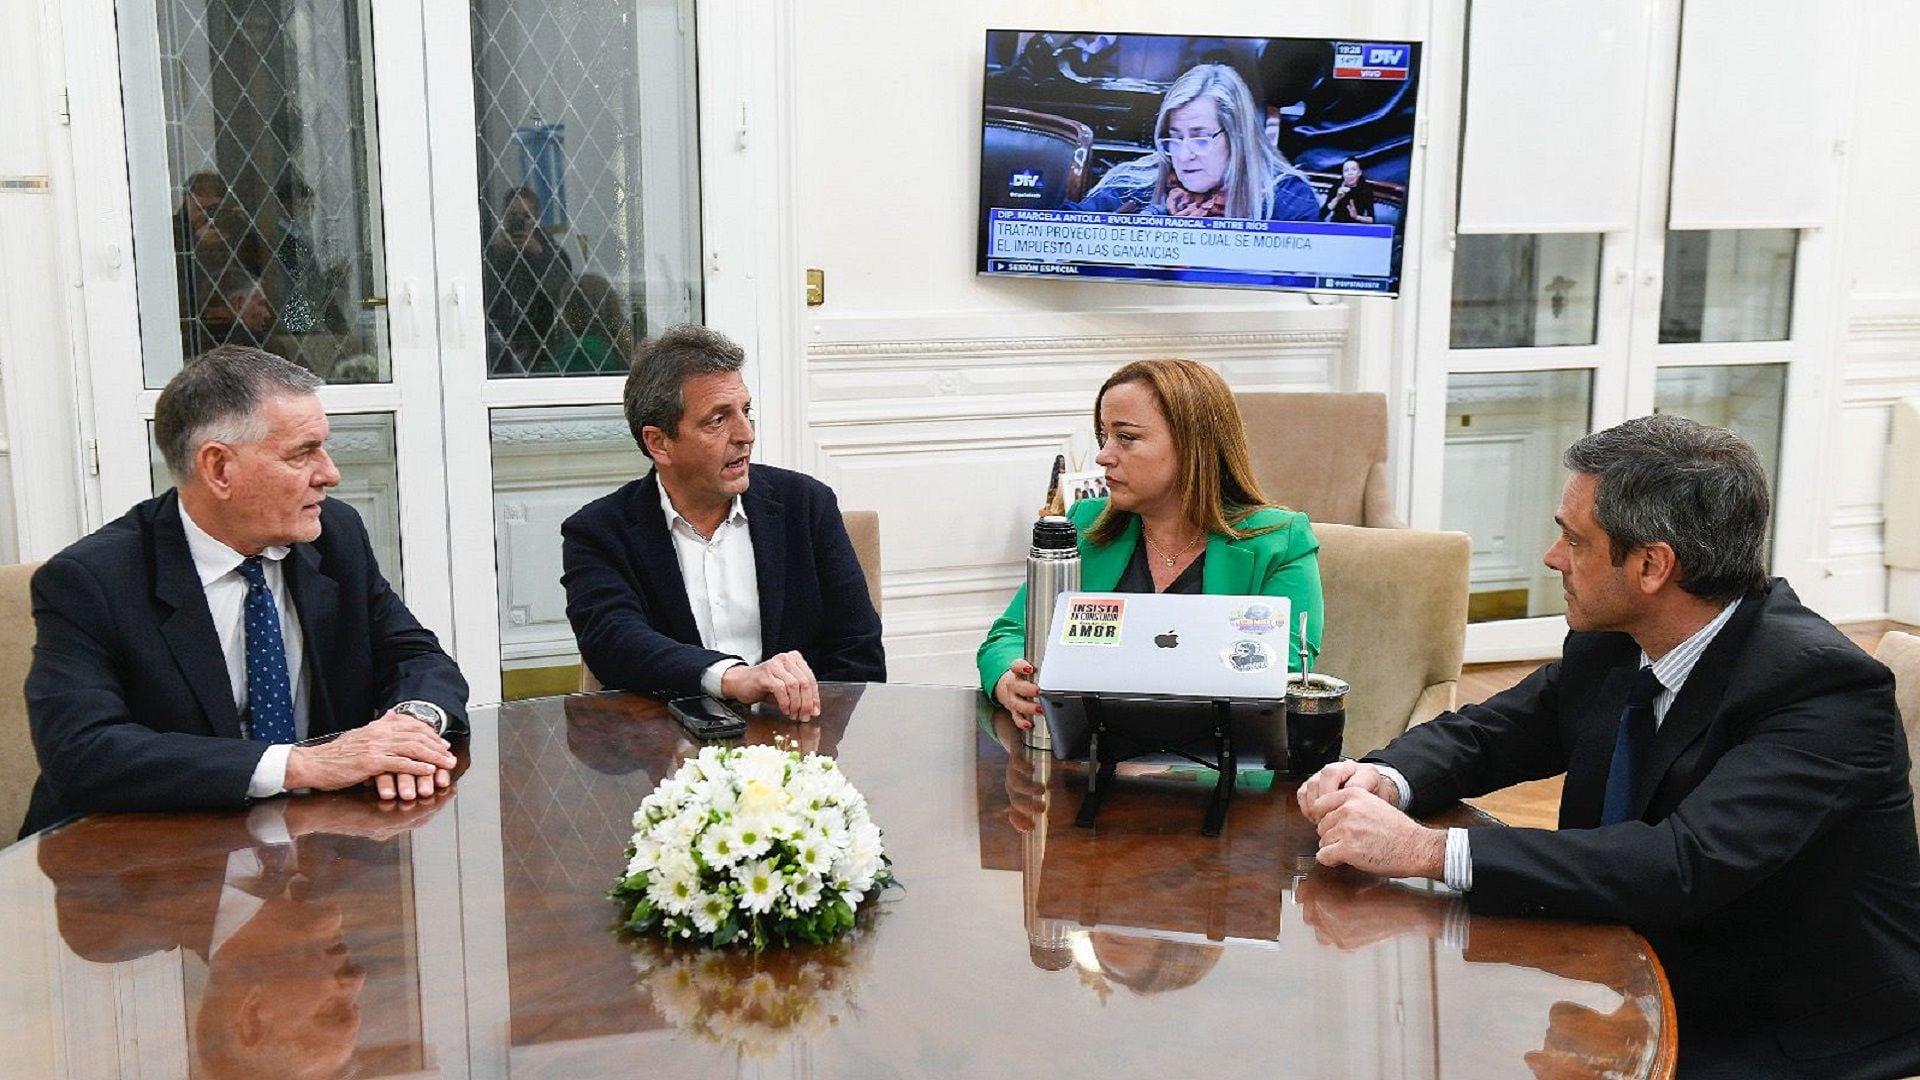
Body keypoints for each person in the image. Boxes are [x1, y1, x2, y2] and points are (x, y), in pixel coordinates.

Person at [1297, 414, 1920, 1078]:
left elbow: (1681, 864)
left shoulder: (1819, 688)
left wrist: (1424, 850)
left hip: (1776, 1031)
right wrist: (1384, 779)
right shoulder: (1616, 640)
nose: (1552, 556)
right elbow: (1495, 732)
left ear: (1652, 565)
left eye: (1574, 539)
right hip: (1618, 972)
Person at [21, 345, 468, 837]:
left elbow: (415, 657)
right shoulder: (93, 580)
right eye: (303, 452)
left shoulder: (334, 536)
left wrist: (410, 726)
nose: (330, 474)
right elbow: (82, 752)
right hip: (141, 859)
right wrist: (300, 765)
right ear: (218, 469)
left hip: (318, 843)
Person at [978, 358, 1324, 726]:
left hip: (1217, 767)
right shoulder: (1084, 523)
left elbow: (1274, 676)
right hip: (1088, 758)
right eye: (1104, 436)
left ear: (1194, 446)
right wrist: (1007, 681)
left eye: (1126, 438)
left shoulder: (1280, 540)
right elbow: (1010, 635)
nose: (1103, 455)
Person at [561, 325, 885, 718]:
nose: (745, 435)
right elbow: (615, 642)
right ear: (658, 442)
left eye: (745, 412)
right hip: (667, 755)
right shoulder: (599, 531)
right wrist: (733, 678)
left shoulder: (806, 505)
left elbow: (858, 652)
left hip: (797, 747)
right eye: (718, 419)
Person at [1066, 63, 1320, 221]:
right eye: (1175, 139)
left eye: (1200, 139)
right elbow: (1060, 231)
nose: (1184, 156)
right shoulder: (1134, 185)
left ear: (1236, 137)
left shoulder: (1288, 200)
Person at [482, 185, 574, 373]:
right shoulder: (492, 252)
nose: (519, 222)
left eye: (526, 217)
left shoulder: (550, 251)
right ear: (503, 217)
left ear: (536, 218)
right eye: (512, 216)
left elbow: (561, 291)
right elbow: (484, 294)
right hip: (498, 341)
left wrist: (539, 253)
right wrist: (495, 257)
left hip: (542, 341)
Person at [1320, 157, 1376, 224]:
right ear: (1343, 174)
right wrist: (1337, 198)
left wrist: (1356, 217)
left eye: (1353, 169)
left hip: (1356, 227)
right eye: (1346, 170)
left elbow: (1372, 220)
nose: (1350, 173)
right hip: (1336, 226)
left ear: (1359, 173)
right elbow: (1322, 215)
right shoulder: (1336, 187)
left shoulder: (1366, 190)